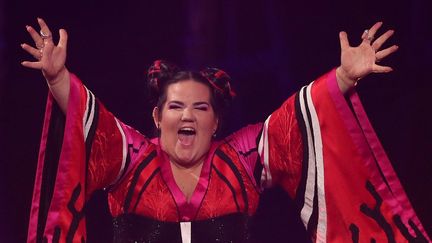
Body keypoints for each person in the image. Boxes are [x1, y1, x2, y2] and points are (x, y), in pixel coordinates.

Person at [21, 18, 430, 243]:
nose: (188, 116)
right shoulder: (131, 157)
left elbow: (297, 119)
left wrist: (343, 77)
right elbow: (89, 119)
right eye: (176, 106)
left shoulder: (242, 158)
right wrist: (57, 78)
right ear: (156, 117)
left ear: (216, 122)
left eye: (201, 108)